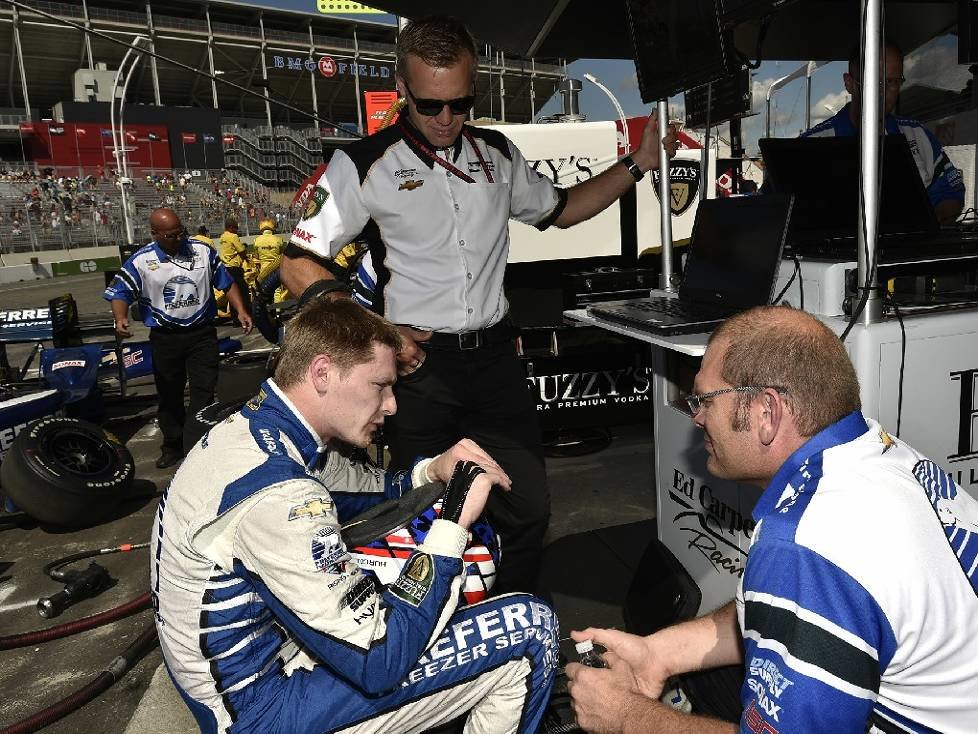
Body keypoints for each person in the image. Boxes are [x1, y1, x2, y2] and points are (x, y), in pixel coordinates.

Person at [280, 15, 678, 593]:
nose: (445, 119)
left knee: (528, 511)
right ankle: (433, 646)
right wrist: (374, 332)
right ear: (403, 86)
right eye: (429, 105)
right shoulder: (363, 163)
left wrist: (638, 163)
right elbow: (296, 261)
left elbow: (564, 209)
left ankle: (506, 628)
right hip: (415, 372)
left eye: (460, 104)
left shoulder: (497, 154)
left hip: (494, 364)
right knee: (422, 519)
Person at [150, 298, 559, 734]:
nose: (392, 405)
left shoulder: (256, 432)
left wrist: (431, 469)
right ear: (323, 372)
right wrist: (453, 526)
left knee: (403, 570)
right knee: (528, 629)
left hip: (243, 673)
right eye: (380, 385)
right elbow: (379, 662)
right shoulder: (280, 497)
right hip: (264, 710)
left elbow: (352, 485)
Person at [565, 306, 978, 733]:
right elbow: (780, 611)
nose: (698, 416)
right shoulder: (874, 450)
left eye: (705, 400)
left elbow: (804, 588)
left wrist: (625, 717)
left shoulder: (807, 543)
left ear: (767, 412)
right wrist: (658, 654)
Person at [104, 208, 253, 468]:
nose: (179, 238)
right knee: (170, 393)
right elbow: (121, 291)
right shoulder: (141, 261)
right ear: (155, 234)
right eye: (172, 235)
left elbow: (226, 283)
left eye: (181, 232)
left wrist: (240, 310)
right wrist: (120, 318)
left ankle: (197, 442)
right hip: (165, 338)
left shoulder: (202, 252)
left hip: (201, 334)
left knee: (204, 390)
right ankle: (172, 445)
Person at [801, 41, 965, 224]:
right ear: (849, 83)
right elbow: (776, 208)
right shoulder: (808, 146)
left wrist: (923, 229)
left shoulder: (919, 136)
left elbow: (950, 193)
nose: (882, 92)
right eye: (873, 81)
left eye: (892, 82)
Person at [218, 216, 252, 319]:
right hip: (234, 268)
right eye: (236, 228)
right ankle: (248, 315)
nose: (237, 231)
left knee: (233, 294)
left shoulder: (222, 237)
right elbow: (241, 250)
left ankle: (235, 319)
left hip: (226, 268)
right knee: (244, 293)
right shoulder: (233, 237)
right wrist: (245, 259)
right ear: (231, 227)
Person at [252, 217, 285, 283]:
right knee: (277, 290)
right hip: (276, 269)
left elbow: (256, 257)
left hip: (263, 269)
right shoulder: (279, 240)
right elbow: (282, 255)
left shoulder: (256, 240)